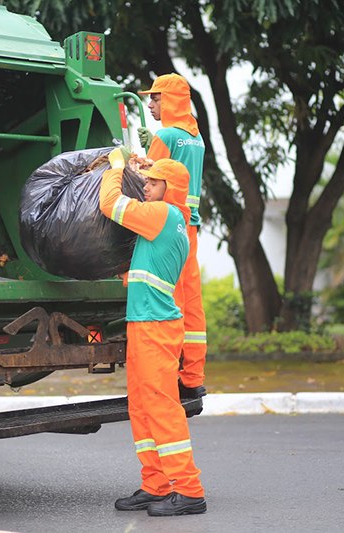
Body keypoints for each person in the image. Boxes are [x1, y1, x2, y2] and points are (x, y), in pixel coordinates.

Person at [99, 147, 207, 516]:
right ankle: (156, 484)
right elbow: (146, 270)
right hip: (147, 323)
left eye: (153, 182)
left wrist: (116, 166)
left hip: (155, 327)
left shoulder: (162, 214)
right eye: (146, 181)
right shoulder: (175, 221)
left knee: (161, 407)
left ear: (170, 188)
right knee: (142, 407)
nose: (146, 187)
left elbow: (110, 203)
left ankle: (189, 490)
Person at [138, 73, 208, 399]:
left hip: (166, 223)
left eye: (155, 98)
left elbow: (149, 179)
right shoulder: (196, 137)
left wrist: (137, 157)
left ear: (171, 100)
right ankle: (193, 377)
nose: (150, 103)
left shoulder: (165, 135)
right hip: (189, 227)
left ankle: (167, 375)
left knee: (168, 301)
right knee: (191, 302)